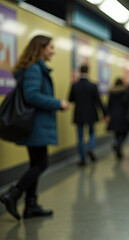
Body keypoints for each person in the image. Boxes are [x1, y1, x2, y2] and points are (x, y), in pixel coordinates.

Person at [0, 35, 70, 220]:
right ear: (41, 48)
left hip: (34, 123)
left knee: (35, 163)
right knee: (41, 164)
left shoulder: (34, 68)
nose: (53, 51)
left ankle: (31, 206)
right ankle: (13, 194)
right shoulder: (34, 69)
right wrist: (58, 103)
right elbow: (31, 95)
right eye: (51, 48)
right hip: (36, 124)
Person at [68, 64, 107, 166]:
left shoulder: (74, 85)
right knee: (92, 133)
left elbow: (70, 99)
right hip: (91, 113)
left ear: (80, 72)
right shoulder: (93, 85)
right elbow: (98, 101)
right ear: (88, 72)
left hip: (79, 113)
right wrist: (105, 113)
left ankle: (82, 158)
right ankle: (90, 148)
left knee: (80, 137)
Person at [107, 78, 128, 159]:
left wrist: (107, 114)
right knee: (124, 133)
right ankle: (118, 145)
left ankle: (119, 151)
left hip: (113, 114)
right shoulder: (125, 92)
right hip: (123, 114)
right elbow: (126, 103)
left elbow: (109, 104)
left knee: (117, 133)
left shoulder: (111, 92)